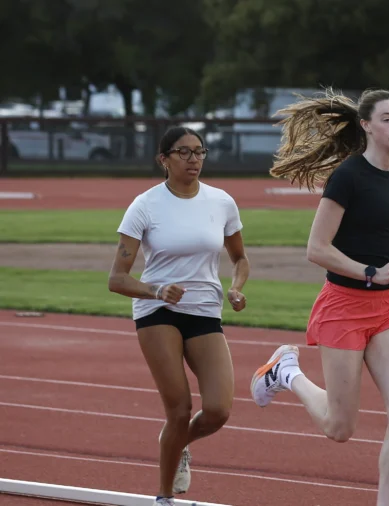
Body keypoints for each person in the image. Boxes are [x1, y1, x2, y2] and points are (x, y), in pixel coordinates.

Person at [249, 88, 389, 506]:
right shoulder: (349, 177)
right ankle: (286, 372)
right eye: (388, 119)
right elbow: (317, 249)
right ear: (367, 126)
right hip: (344, 306)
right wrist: (371, 272)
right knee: (340, 428)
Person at [108, 126, 250, 506]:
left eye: (200, 152)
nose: (194, 160)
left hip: (204, 309)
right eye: (184, 153)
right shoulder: (145, 205)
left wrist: (236, 287)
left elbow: (239, 258)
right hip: (158, 311)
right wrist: (156, 290)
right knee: (180, 408)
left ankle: (177, 442)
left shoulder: (221, 202)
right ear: (164, 159)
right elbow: (116, 279)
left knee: (218, 410)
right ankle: (164, 496)